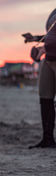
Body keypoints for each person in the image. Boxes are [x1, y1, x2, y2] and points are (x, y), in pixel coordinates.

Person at [23, 8, 56, 148]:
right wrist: (35, 40)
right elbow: (50, 35)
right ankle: (47, 139)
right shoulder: (53, 13)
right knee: (45, 98)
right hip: (48, 60)